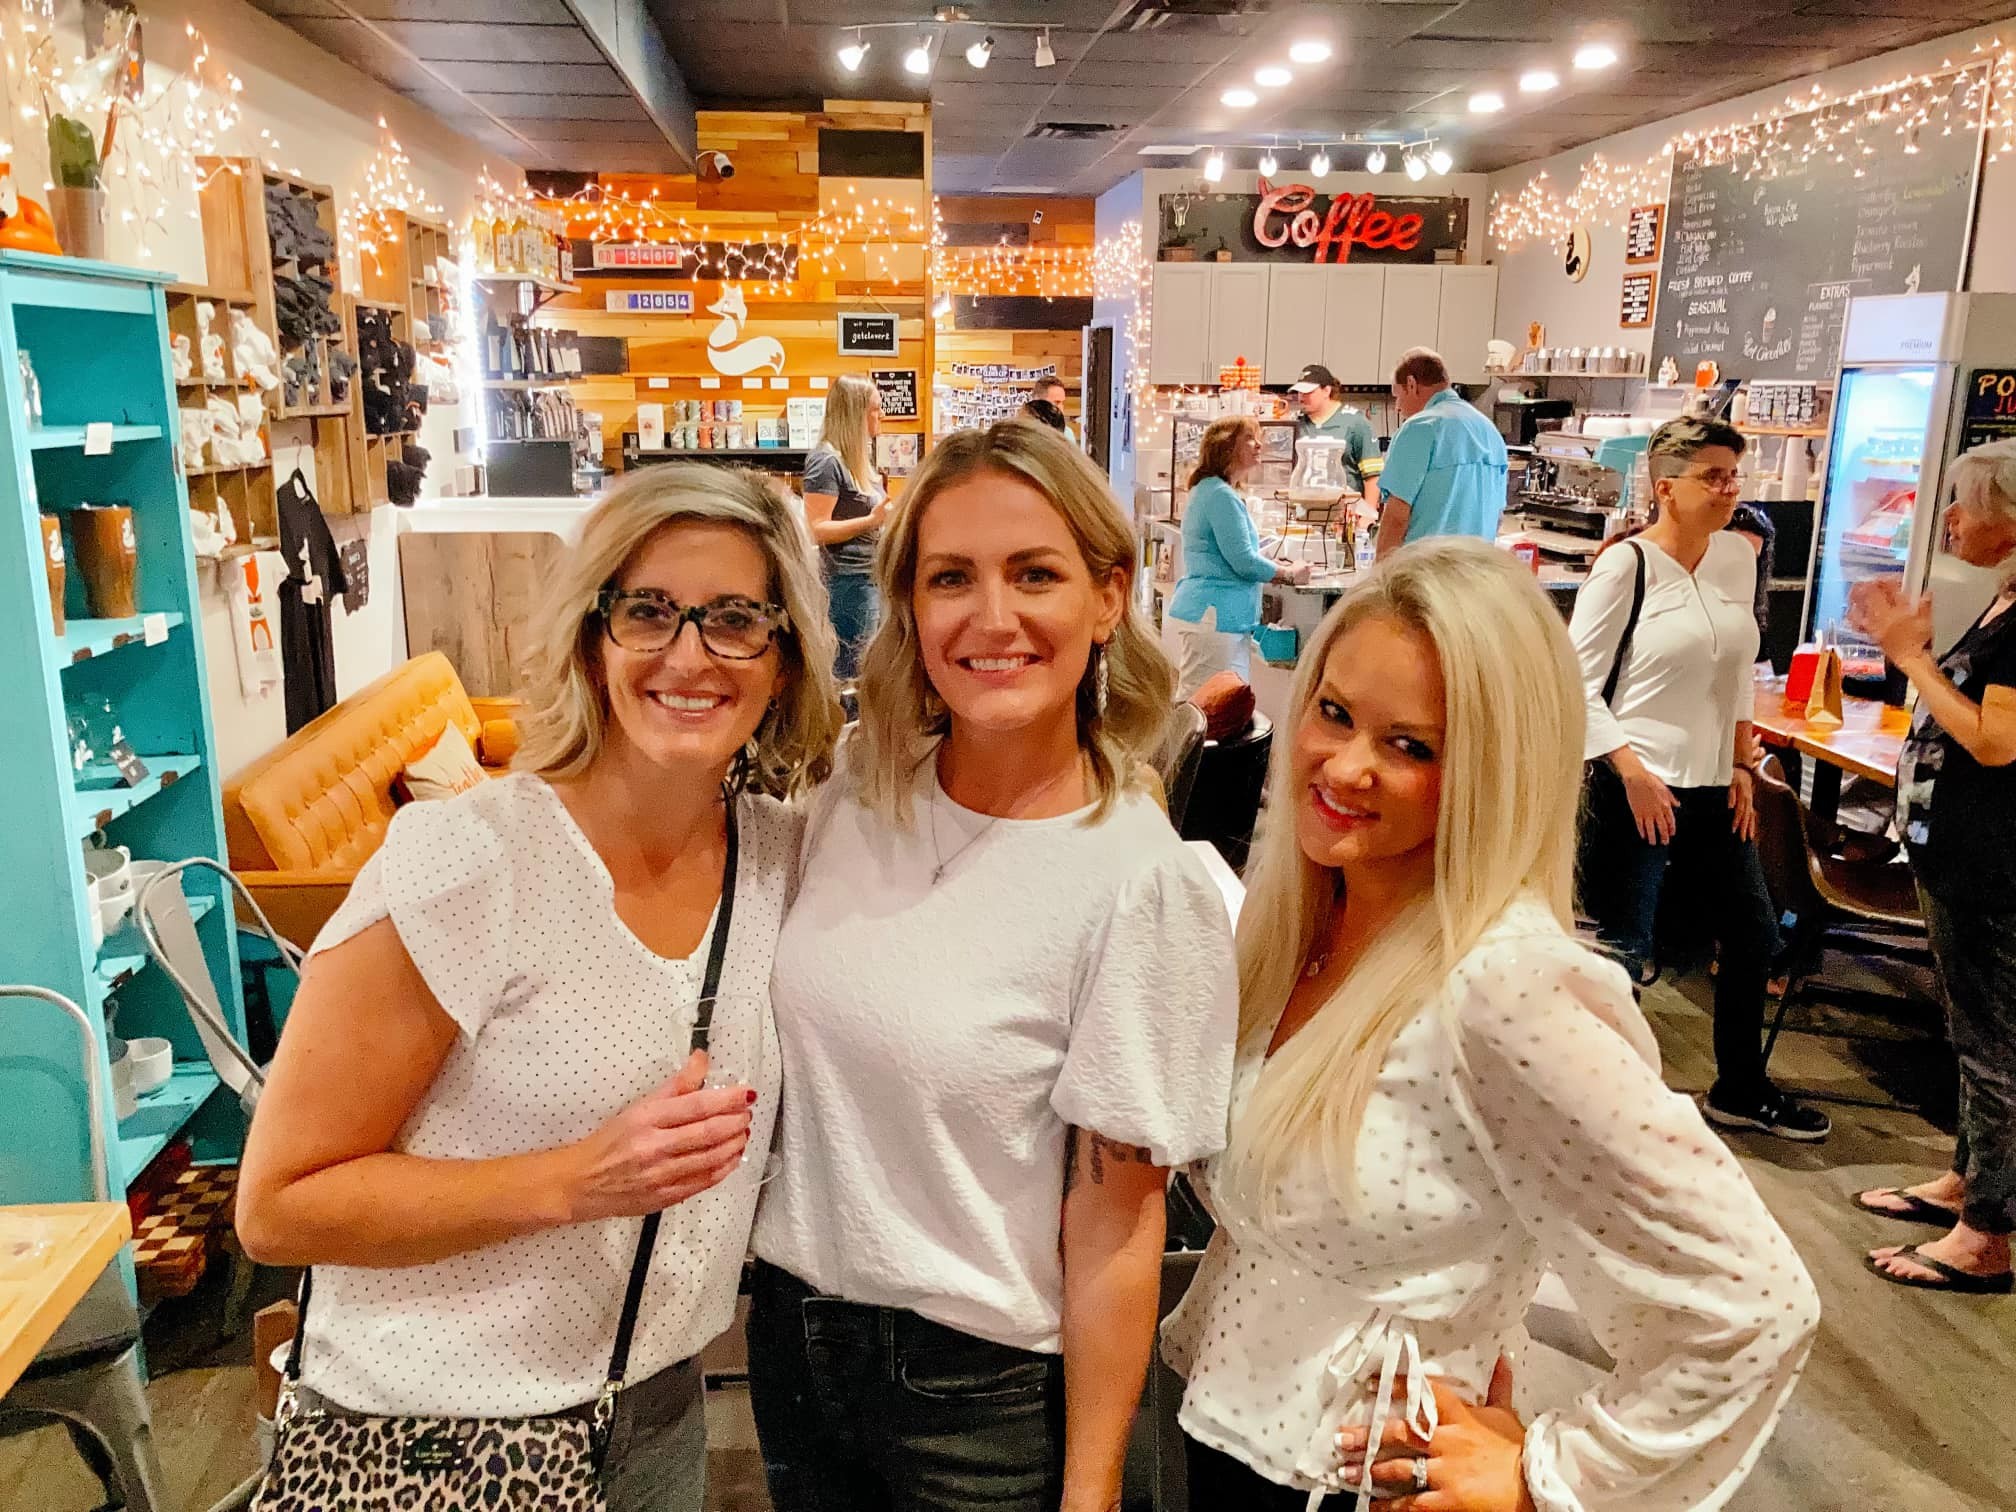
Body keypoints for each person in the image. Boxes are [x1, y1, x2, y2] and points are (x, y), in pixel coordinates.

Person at [1163, 537, 1819, 1510]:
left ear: (1492, 770)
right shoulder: (1306, 922)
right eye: (1335, 713)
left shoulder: (1506, 987)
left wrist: (1545, 1477)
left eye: (1411, 746)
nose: (1345, 766)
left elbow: (1751, 1303)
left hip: (1364, 1477)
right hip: (1233, 1436)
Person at [235, 465, 844, 1512]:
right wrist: (573, 1181)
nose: (689, 655)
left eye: (736, 619)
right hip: (430, 1439)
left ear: (783, 661)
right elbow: (279, 1206)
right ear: (592, 639)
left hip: (655, 1414)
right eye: (648, 611)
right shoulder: (468, 861)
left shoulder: (783, 861)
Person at [748, 420, 1240, 1512]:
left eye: (1034, 574)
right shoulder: (859, 792)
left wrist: (1091, 1491)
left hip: (978, 1394)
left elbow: (1117, 1225)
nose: (992, 616)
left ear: (1108, 597)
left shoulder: (1139, 881)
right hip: (791, 1341)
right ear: (909, 607)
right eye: (951, 578)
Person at [1569, 417, 1829, 1141]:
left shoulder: (1736, 559)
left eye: (1734, 476)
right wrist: (1629, 770)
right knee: (1624, 950)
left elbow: (1737, 671)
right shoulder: (1626, 567)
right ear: (1666, 488)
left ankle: (1740, 1088)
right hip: (1634, 783)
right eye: (1713, 476)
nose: (1730, 489)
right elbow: (1574, 684)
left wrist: (1742, 760)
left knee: (1752, 934)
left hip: (1715, 783)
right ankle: (1600, 1107)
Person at [1850, 436, 2016, 1294]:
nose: (1949, 518)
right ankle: (1967, 1182)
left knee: (1995, 1047)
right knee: (1970, 1030)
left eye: (1966, 504)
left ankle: (1988, 1237)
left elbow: (1995, 743)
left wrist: (1910, 655)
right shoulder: (1999, 601)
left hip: (1996, 865)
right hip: (1955, 851)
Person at [1167, 416, 1310, 696]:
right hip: (1216, 618)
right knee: (1207, 705)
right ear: (1226, 447)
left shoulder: (1211, 490)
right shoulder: (1220, 496)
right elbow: (1243, 561)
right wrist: (1289, 574)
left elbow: (1235, 555)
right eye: (1249, 438)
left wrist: (1272, 566)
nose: (1259, 445)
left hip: (1218, 618)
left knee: (1216, 704)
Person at [1374, 348, 1508, 559]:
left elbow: (1397, 517)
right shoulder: (1489, 430)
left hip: (1425, 569)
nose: (1397, 407)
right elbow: (1498, 517)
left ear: (1411, 384)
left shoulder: (1419, 428)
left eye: (1397, 396)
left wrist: (1381, 571)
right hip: (1476, 568)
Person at [803, 372, 892, 681]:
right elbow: (816, 529)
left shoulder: (855, 460)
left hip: (867, 578)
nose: (881, 415)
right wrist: (871, 521)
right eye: (875, 408)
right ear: (855, 413)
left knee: (864, 668)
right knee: (851, 672)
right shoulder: (826, 461)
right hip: (847, 582)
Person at [1288, 362, 1381, 510]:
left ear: (1326, 391)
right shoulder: (1296, 423)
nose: (1301, 398)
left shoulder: (1355, 423)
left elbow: (1373, 476)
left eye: (1307, 393)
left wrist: (1368, 515)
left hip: (1345, 510)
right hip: (1303, 509)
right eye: (1299, 393)